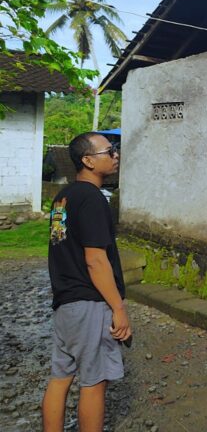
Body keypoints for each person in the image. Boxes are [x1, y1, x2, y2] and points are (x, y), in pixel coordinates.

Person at [42, 132, 131, 432]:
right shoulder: (93, 199)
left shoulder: (62, 198)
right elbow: (95, 260)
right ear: (88, 160)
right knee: (94, 381)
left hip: (64, 304)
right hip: (89, 303)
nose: (115, 155)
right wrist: (118, 308)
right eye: (109, 151)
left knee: (60, 377)